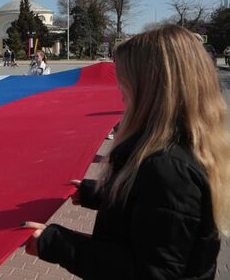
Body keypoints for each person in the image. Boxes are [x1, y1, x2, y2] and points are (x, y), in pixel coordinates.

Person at [22, 25, 230, 280]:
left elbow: (148, 272)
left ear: (152, 88)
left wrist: (56, 243)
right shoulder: (174, 147)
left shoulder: (168, 168)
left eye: (124, 79)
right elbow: (150, 207)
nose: (118, 90)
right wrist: (96, 193)